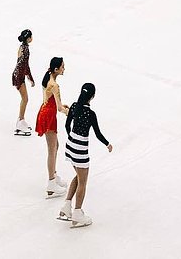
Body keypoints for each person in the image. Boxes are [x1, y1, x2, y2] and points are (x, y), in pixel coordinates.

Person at [60, 83, 113, 228]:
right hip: (80, 150)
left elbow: (66, 125)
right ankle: (77, 212)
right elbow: (97, 133)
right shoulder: (90, 114)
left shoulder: (74, 106)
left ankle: (66, 205)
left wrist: (72, 137)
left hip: (70, 146)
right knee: (83, 181)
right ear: (93, 96)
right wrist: (108, 144)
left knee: (78, 176)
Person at [35, 57, 69, 198]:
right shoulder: (54, 85)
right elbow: (60, 108)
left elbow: (55, 103)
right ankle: (51, 183)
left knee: (56, 146)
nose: (64, 69)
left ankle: (53, 175)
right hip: (48, 116)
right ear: (56, 69)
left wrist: (62, 106)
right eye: (62, 67)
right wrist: (71, 112)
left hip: (46, 112)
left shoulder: (48, 76)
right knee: (52, 149)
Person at [12, 29, 35, 137]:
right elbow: (25, 66)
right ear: (28, 38)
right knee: (25, 99)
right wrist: (30, 78)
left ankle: (21, 120)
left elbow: (23, 65)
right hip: (19, 76)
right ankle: (20, 122)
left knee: (25, 99)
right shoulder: (25, 50)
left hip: (18, 74)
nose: (32, 38)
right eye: (31, 36)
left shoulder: (23, 47)